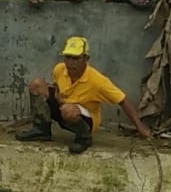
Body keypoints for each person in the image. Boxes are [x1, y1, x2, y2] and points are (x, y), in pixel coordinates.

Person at [15, 35, 151, 153]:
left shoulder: (97, 81)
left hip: (84, 118)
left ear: (86, 59)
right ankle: (41, 129)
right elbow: (56, 83)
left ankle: (83, 138)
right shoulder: (59, 69)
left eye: (76, 58)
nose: (70, 63)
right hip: (63, 107)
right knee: (36, 84)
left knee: (68, 110)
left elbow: (123, 100)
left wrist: (141, 128)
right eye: (68, 57)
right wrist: (56, 94)